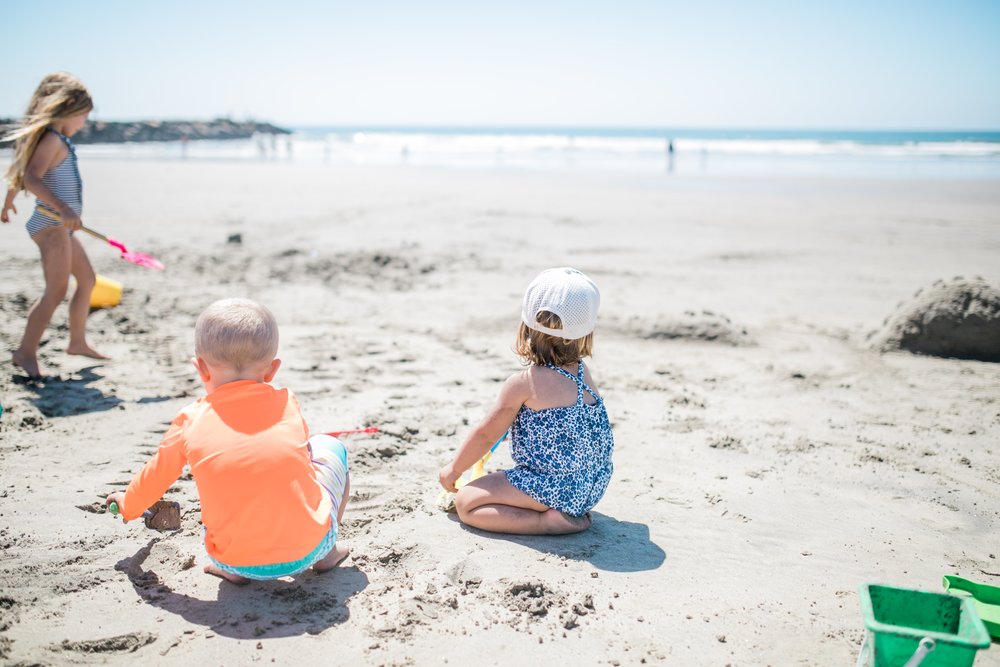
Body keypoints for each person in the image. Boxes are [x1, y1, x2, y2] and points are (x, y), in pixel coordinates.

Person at [105, 298, 351, 584]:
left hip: (233, 559)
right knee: (331, 447)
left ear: (201, 368)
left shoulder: (189, 420)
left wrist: (128, 504)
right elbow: (303, 458)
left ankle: (232, 571)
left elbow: (156, 476)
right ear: (272, 370)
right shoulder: (287, 402)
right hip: (308, 550)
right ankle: (327, 553)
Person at [439, 267, 614, 535]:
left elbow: (486, 433)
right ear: (586, 333)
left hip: (554, 487)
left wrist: (454, 469)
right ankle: (558, 512)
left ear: (526, 326)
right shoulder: (582, 373)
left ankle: (547, 522)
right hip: (591, 487)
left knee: (467, 503)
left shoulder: (524, 383)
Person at [2, 72, 108, 379]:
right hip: (51, 224)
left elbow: (23, 171)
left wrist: (8, 201)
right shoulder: (51, 139)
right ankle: (25, 352)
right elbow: (32, 177)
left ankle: (77, 342)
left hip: (61, 226)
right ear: (69, 107)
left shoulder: (56, 139)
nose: (83, 124)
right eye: (83, 116)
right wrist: (63, 208)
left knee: (87, 279)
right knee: (56, 291)